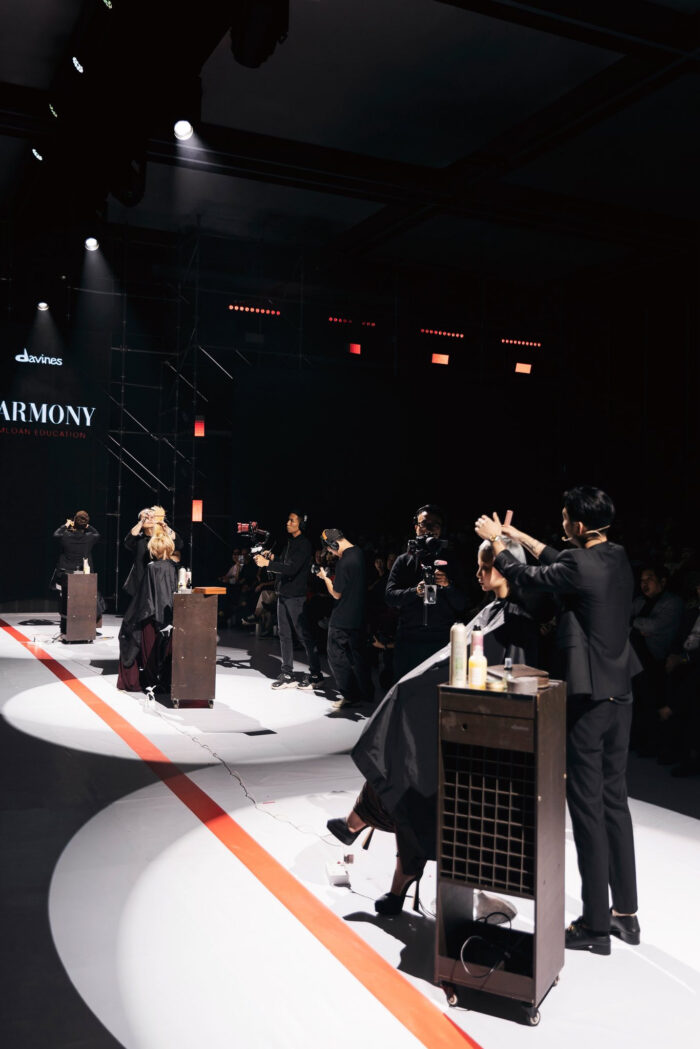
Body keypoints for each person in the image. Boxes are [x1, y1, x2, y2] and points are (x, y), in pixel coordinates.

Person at [327, 538, 539, 913]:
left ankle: (368, 836)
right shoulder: (493, 610)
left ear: (506, 567)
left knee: (408, 773)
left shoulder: (515, 621)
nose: (477, 573)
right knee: (402, 766)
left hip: (472, 729)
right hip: (446, 713)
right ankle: (388, 865)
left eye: (485, 567)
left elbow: (509, 681)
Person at [475, 486, 641, 955]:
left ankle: (595, 924)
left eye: (566, 518)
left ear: (579, 525)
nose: (563, 524)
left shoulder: (577, 565)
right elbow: (557, 558)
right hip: (621, 693)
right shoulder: (616, 555)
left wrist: (498, 542)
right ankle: (626, 915)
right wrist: (518, 535)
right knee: (615, 803)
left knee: (586, 809)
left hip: (588, 699)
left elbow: (528, 574)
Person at [386, 505, 467, 682]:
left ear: (441, 529)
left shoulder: (452, 561)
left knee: (437, 692)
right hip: (409, 640)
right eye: (424, 524)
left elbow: (462, 604)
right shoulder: (404, 561)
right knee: (406, 691)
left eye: (435, 524)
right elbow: (390, 597)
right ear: (416, 527)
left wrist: (448, 585)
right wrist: (415, 591)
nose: (429, 529)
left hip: (441, 641)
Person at [254, 511, 322, 690]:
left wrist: (267, 564)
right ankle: (287, 674)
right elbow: (284, 563)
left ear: (300, 524)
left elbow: (291, 569)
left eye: (292, 520)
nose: (288, 522)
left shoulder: (304, 544)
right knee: (284, 635)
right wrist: (272, 558)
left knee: (303, 635)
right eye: (288, 520)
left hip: (296, 596)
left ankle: (316, 674)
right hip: (283, 594)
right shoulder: (290, 542)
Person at [629, 564, 684, 755]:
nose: (645, 584)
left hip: (658, 655)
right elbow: (622, 620)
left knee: (644, 678)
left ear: (662, 581)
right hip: (637, 658)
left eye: (649, 579)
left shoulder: (673, 603)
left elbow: (654, 626)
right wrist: (639, 629)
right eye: (642, 581)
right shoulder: (638, 602)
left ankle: (650, 740)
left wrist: (634, 626)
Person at [316, 528, 373, 711]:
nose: (331, 553)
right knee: (359, 654)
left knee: (335, 655)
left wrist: (325, 578)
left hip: (342, 616)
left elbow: (336, 593)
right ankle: (367, 692)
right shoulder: (359, 553)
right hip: (360, 614)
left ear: (334, 544)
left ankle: (350, 695)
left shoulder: (344, 562)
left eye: (330, 549)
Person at [117, 532, 179, 693]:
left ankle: (150, 681)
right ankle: (163, 681)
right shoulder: (173, 567)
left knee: (140, 642)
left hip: (150, 616)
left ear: (154, 550)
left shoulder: (152, 568)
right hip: (168, 616)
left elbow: (146, 596)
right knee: (164, 650)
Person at [51, 511, 103, 625]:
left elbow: (55, 534)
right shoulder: (90, 537)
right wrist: (87, 525)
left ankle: (66, 619)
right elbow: (97, 534)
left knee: (65, 594)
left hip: (66, 573)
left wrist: (66, 525)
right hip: (83, 573)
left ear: (74, 522)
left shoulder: (66, 536)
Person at [123, 505, 182, 598]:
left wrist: (166, 528)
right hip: (140, 581)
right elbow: (128, 542)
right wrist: (141, 521)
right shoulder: (138, 538)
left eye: (152, 516)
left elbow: (179, 544)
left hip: (160, 581)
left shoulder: (162, 538)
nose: (150, 519)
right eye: (146, 517)